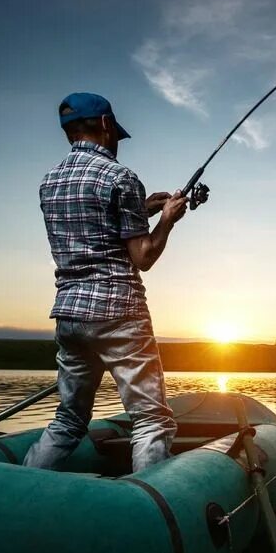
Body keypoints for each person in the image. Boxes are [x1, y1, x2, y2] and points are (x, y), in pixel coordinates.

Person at [24, 92, 189, 473]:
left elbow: (90, 227)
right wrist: (167, 220)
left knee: (68, 421)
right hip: (119, 312)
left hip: (69, 314)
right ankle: (149, 509)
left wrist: (140, 208)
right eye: (115, 130)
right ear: (104, 125)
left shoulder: (49, 182)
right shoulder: (120, 176)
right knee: (151, 419)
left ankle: (19, 488)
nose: (116, 139)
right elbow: (143, 257)